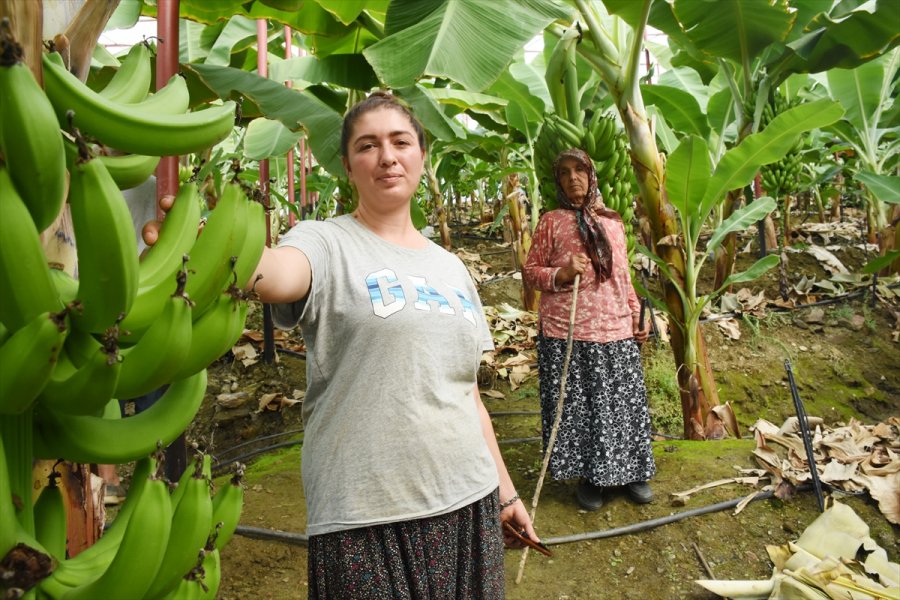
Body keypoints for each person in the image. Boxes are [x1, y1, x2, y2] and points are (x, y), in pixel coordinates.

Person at [237, 91, 536, 597]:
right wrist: (213, 246)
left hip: (467, 497)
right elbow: (275, 275)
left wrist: (506, 494)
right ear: (348, 167)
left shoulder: (451, 267)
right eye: (367, 146)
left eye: (400, 142)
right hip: (365, 512)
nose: (387, 157)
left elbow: (467, 395)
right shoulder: (324, 242)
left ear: (421, 155)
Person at [522, 147, 655, 512]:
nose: (572, 178)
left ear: (591, 175)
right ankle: (590, 478)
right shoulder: (551, 221)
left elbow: (624, 279)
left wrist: (633, 318)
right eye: (564, 173)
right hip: (568, 331)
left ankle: (630, 473)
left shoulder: (613, 223)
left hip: (614, 329)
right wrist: (562, 273)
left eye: (579, 170)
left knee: (622, 405)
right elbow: (531, 273)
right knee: (582, 410)